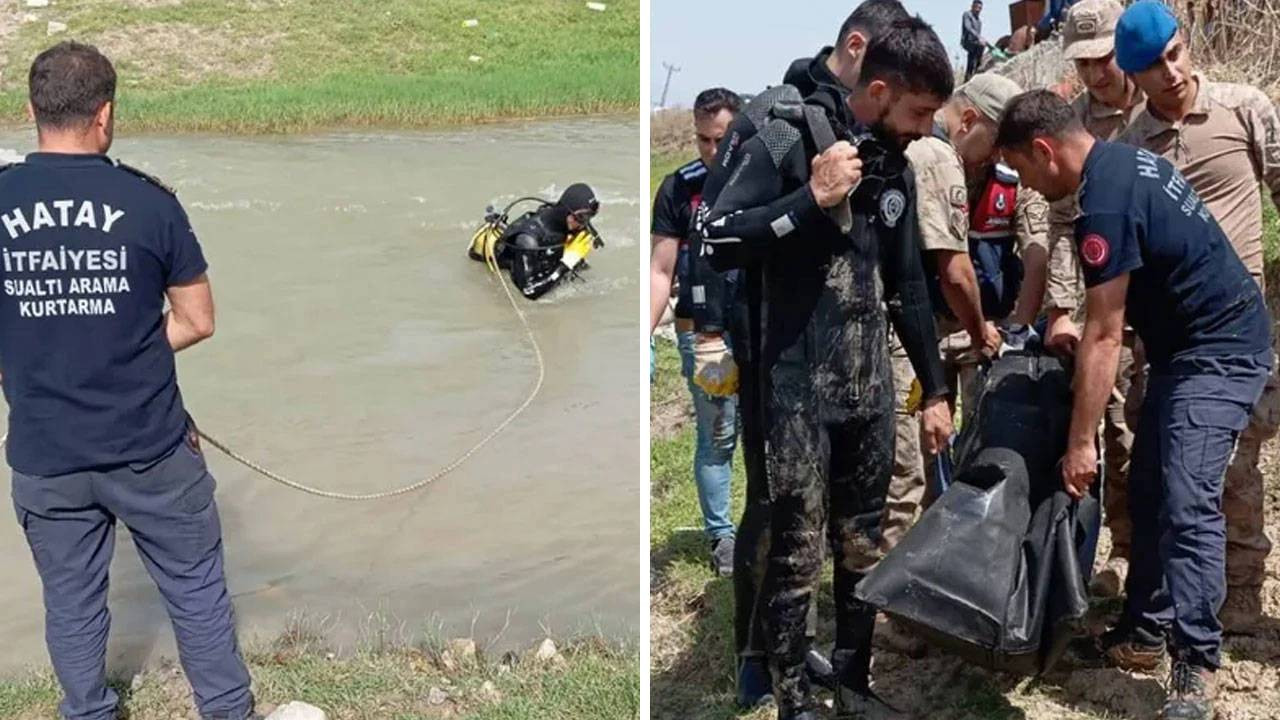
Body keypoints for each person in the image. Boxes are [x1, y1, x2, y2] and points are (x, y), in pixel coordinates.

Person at [701, 18, 955, 720]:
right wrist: (809, 202)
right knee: (794, 548)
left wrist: (934, 389)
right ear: (878, 89)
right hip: (792, 385)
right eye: (919, 114)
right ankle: (792, 699)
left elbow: (907, 285)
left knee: (860, 545)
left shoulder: (894, 166)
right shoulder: (783, 130)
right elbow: (717, 237)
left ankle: (851, 681)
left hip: (865, 383)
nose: (927, 129)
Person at [0, 42, 258, 720]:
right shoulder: (149, 202)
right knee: (195, 587)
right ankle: (227, 712)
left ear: (29, 111)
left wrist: (34, 359)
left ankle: (86, 711)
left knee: (71, 599)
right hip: (150, 446)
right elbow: (197, 321)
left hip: (45, 452)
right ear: (106, 115)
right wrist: (126, 349)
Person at [997, 88, 1271, 720]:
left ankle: (1196, 665)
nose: (1033, 190)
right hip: (1182, 350)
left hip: (1222, 350)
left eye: (1028, 173)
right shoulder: (1119, 164)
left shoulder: (1106, 203)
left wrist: (1079, 442)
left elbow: (1104, 333)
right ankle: (1144, 632)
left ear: (1043, 150)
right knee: (1149, 484)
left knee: (1185, 495)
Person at [1113, 0, 1280, 634]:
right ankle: (1180, 604)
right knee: (1183, 474)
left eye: (1174, 55)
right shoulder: (1133, 147)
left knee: (1235, 464)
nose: (1171, 73)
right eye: (1153, 67)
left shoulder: (1245, 107)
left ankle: (1242, 593)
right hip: (1174, 339)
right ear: (1135, 77)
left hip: (1243, 330)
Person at [880, 73, 1047, 626]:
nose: (1004, 153)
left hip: (986, 334)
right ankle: (893, 605)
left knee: (983, 457)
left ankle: (965, 579)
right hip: (917, 334)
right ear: (970, 121)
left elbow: (1038, 249)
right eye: (999, 140)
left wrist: (1019, 323)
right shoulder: (930, 156)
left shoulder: (1008, 178)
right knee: (909, 467)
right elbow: (952, 271)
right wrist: (982, 332)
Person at [1040, 0, 1146, 599]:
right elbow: (1060, 225)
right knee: (1108, 434)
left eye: (1103, 58)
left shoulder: (1154, 106)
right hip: (1103, 308)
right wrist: (1060, 306)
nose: (1096, 73)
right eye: (1083, 63)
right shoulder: (1073, 121)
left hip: (1160, 303)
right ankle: (1118, 562)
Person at [648, 87, 742, 575]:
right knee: (719, 434)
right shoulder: (678, 189)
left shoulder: (763, 181)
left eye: (721, 140)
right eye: (702, 140)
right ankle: (721, 537)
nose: (711, 151)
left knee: (768, 431)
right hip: (701, 331)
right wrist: (644, 333)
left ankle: (767, 525)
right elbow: (661, 271)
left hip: (760, 326)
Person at [480, 183, 600, 300]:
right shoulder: (527, 241)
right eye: (582, 218)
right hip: (513, 262)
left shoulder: (570, 221)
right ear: (565, 211)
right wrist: (566, 264)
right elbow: (528, 291)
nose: (584, 224)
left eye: (589, 217)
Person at [961, 0, 986, 81]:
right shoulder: (967, 15)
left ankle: (976, 71)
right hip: (968, 41)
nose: (978, 10)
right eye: (977, 7)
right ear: (972, 6)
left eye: (980, 8)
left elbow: (978, 35)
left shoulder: (979, 21)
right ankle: (971, 74)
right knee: (972, 56)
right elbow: (968, 27)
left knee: (976, 56)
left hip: (975, 42)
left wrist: (981, 39)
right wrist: (979, 37)